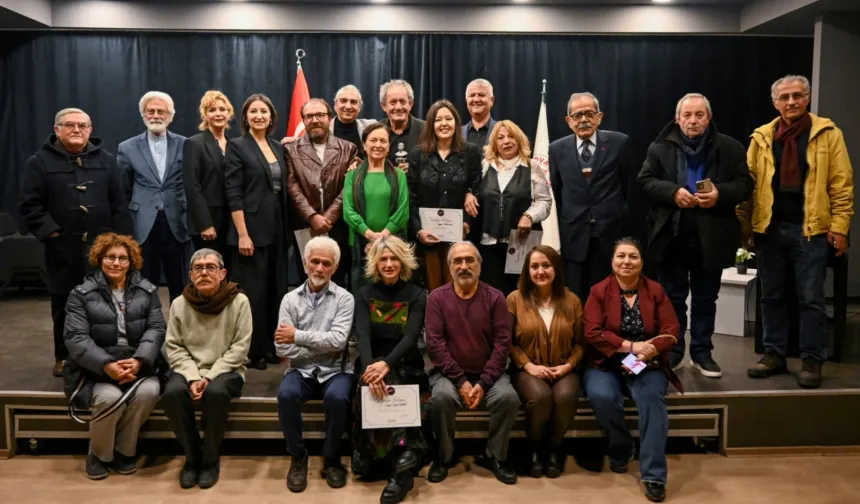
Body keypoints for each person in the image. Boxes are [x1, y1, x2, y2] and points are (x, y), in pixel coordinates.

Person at [740, 75, 854, 389]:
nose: (791, 102)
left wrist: (840, 227)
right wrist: (745, 226)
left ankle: (812, 359)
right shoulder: (762, 136)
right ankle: (774, 354)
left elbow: (841, 184)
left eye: (797, 96)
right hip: (769, 229)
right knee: (772, 297)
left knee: (811, 299)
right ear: (775, 103)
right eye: (785, 97)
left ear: (807, 98)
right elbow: (748, 184)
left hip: (811, 230)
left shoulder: (827, 133)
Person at [638, 93, 753, 376]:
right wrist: (672, 192)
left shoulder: (731, 147)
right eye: (687, 115)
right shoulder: (659, 148)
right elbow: (644, 182)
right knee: (672, 299)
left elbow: (744, 185)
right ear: (677, 119)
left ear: (708, 118)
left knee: (705, 299)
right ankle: (675, 350)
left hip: (712, 237)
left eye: (699, 115)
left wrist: (719, 194)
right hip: (672, 235)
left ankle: (702, 353)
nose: (693, 120)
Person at [19, 107, 132, 377]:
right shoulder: (39, 162)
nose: (76, 130)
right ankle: (64, 356)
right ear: (56, 129)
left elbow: (119, 203)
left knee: (105, 303)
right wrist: (53, 234)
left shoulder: (106, 160)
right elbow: (30, 205)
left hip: (103, 249)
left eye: (82, 126)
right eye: (69, 125)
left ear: (90, 130)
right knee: (64, 304)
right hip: (62, 249)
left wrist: (122, 243)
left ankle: (103, 353)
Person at [582, 238, 681, 503]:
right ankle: (622, 447)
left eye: (633, 256)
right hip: (606, 363)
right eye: (621, 256)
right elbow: (591, 331)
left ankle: (654, 475)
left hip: (646, 363)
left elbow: (671, 330)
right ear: (612, 261)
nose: (626, 261)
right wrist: (630, 346)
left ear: (642, 262)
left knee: (651, 401)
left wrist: (648, 350)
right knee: (602, 396)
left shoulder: (655, 290)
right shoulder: (598, 291)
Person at [62, 233, 165, 480]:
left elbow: (156, 328)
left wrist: (139, 360)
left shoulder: (147, 291)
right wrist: (106, 364)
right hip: (93, 368)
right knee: (109, 397)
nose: (116, 263)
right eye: (110, 257)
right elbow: (76, 338)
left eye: (122, 258)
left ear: (131, 262)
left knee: (149, 391)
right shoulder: (80, 294)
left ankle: (123, 451)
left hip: (136, 364)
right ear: (100, 259)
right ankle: (98, 455)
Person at [425, 241, 520, 485]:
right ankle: (444, 457)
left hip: (489, 375)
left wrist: (484, 382)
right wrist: (460, 381)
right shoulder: (436, 298)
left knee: (508, 398)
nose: (464, 266)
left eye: (470, 260)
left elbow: (502, 344)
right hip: (448, 375)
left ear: (480, 265)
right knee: (441, 398)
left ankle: (495, 456)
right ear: (449, 266)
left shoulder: (495, 297)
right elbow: (435, 345)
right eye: (457, 261)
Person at [162, 248, 251, 489]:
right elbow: (174, 347)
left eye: (211, 267)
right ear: (190, 275)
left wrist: (209, 377)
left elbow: (240, 349)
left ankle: (210, 460)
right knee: (172, 393)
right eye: (198, 268)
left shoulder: (239, 301)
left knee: (215, 393)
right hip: (188, 369)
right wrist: (193, 377)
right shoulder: (179, 303)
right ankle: (192, 457)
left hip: (227, 370)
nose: (204, 273)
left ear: (222, 273)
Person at [275, 236, 355, 493]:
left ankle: (331, 459)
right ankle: (298, 456)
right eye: (315, 262)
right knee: (286, 395)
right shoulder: (289, 300)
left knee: (338, 398)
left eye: (326, 263)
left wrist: (297, 336)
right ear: (304, 263)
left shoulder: (345, 299)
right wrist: (323, 345)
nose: (320, 268)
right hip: (300, 370)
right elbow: (281, 348)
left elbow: (338, 342)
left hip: (336, 370)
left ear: (335, 267)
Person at [352, 236, 428, 504]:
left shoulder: (417, 295)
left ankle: (401, 471)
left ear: (403, 261)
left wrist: (386, 364)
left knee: (395, 381)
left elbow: (411, 338)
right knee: (369, 384)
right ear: (375, 263)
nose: (388, 264)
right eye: (383, 259)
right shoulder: (364, 294)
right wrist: (371, 369)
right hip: (371, 361)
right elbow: (362, 336)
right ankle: (392, 460)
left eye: (394, 258)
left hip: (405, 362)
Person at [224, 93, 289, 370]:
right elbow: (233, 192)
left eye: (264, 111)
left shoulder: (277, 146)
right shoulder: (237, 146)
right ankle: (253, 351)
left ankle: (272, 347)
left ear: (271, 117)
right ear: (245, 117)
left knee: (276, 290)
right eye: (254, 111)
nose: (259, 116)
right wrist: (242, 234)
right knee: (253, 294)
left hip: (277, 229)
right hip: (250, 231)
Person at [549, 92, 634, 302]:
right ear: (568, 121)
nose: (584, 120)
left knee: (609, 297)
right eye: (577, 115)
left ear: (599, 117)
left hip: (610, 233)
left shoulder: (618, 143)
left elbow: (629, 186)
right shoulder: (557, 149)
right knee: (576, 297)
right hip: (573, 234)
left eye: (589, 113)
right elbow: (556, 192)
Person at [507, 245, 583, 478]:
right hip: (527, 369)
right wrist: (528, 366)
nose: (540, 271)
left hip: (564, 367)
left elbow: (581, 343)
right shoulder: (514, 300)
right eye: (535, 266)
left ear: (556, 269)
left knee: (566, 396)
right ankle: (534, 448)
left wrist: (568, 366)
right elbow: (507, 342)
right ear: (527, 270)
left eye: (546, 265)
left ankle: (553, 449)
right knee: (540, 398)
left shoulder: (572, 300)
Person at [117, 91, 189, 302]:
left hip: (177, 223)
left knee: (180, 282)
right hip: (143, 224)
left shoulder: (186, 144)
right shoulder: (127, 147)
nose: (156, 115)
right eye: (151, 111)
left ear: (170, 116)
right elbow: (123, 188)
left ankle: (179, 322)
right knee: (144, 284)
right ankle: (146, 322)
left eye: (161, 111)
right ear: (143, 115)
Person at [468, 119, 552, 295]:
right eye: (500, 138)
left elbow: (545, 201)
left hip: (521, 244)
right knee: (492, 294)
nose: (506, 141)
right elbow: (472, 193)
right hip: (488, 245)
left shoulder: (532, 166)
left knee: (522, 294)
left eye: (511, 136)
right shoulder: (484, 166)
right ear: (494, 143)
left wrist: (529, 216)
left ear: (519, 139)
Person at [408, 100, 482, 292]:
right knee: (434, 289)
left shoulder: (471, 152)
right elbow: (411, 195)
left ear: (456, 123)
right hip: (428, 236)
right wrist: (418, 230)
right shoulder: (418, 154)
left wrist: (466, 224)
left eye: (448, 119)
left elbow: (477, 189)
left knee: (459, 288)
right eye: (438, 120)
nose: (444, 124)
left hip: (460, 235)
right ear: (431, 125)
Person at [285, 98, 358, 288]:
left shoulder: (349, 149)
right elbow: (291, 186)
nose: (315, 120)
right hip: (305, 226)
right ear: (303, 120)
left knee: (337, 280)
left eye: (320, 115)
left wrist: (329, 216)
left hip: (337, 227)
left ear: (329, 118)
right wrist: (312, 216)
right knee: (308, 281)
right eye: (309, 116)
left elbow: (348, 187)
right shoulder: (290, 149)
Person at [343, 123, 410, 289]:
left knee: (391, 291)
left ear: (389, 146)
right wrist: (369, 235)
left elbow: (403, 211)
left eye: (383, 141)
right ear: (364, 145)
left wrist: (381, 238)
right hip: (360, 243)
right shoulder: (352, 175)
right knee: (363, 291)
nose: (378, 145)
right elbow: (348, 211)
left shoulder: (399, 175)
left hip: (393, 244)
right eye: (373, 140)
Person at [184, 90, 235, 266]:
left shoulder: (234, 144)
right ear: (204, 115)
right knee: (208, 270)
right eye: (212, 110)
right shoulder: (194, 143)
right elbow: (192, 187)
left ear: (229, 113)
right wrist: (205, 224)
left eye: (222, 109)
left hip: (231, 223)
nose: (218, 113)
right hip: (208, 224)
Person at [379, 79, 426, 171]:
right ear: (384, 106)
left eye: (403, 102)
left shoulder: (426, 129)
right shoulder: (375, 131)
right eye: (393, 102)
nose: (398, 107)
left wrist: (415, 169)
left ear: (410, 104)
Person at [331, 84, 377, 158]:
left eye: (353, 102)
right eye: (343, 101)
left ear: (360, 107)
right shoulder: (324, 129)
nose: (348, 106)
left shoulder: (371, 127)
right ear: (335, 105)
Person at [461, 78, 497, 148]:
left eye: (481, 95)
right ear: (466, 100)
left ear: (491, 100)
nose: (476, 99)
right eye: (472, 95)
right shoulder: (457, 134)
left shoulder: (503, 132)